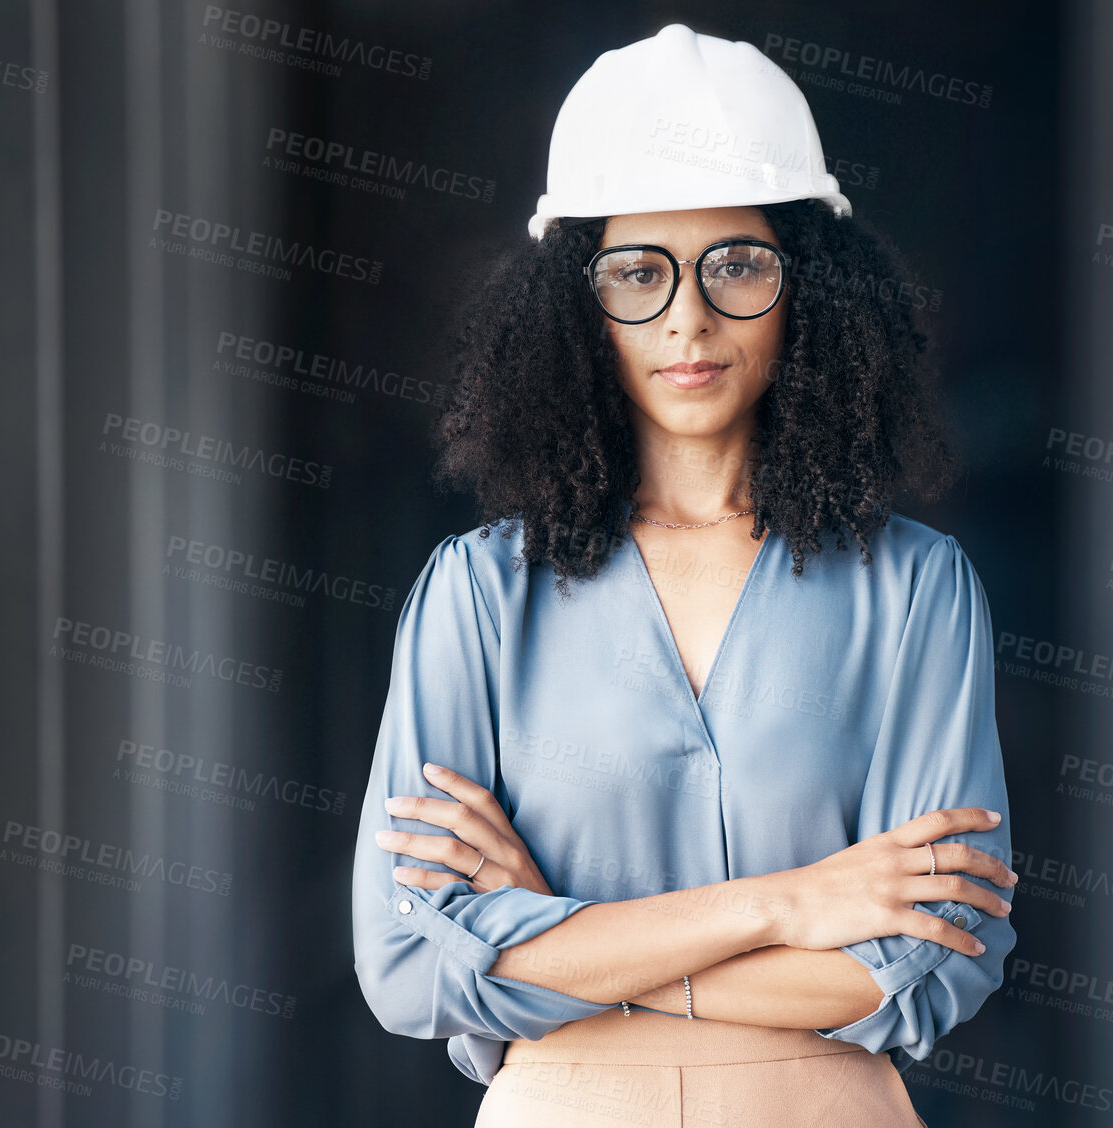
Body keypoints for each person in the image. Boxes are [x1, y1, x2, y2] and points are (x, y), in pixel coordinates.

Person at [351, 22, 1016, 1128]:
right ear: (577, 304)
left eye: (738, 265)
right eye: (637, 273)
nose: (688, 318)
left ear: (812, 292)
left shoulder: (914, 591)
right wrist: (792, 905)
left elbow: (933, 963)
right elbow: (409, 964)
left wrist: (559, 940)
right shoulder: (473, 596)